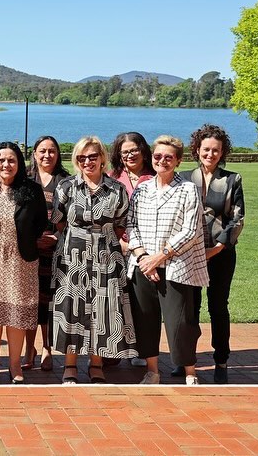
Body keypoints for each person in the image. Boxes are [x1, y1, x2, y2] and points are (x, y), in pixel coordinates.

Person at [50, 136, 137, 384]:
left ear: (102, 158)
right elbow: (59, 220)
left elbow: (121, 224)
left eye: (92, 156)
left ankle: (96, 363)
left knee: (103, 309)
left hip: (106, 256)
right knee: (72, 309)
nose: (87, 161)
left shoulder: (117, 189)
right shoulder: (66, 187)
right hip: (71, 257)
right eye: (81, 157)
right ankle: (70, 364)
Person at [127, 135, 209, 385]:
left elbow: (191, 230)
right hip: (142, 266)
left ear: (178, 160)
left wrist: (160, 257)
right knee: (145, 321)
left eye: (168, 157)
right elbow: (131, 225)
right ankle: (152, 371)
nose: (162, 160)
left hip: (177, 267)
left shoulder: (187, 189)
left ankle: (190, 372)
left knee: (180, 322)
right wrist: (143, 257)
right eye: (158, 156)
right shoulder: (142, 189)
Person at [0, 142, 47, 384]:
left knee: (16, 315)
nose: (6, 165)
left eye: (12, 160)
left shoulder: (31, 190)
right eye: (1, 160)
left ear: (19, 163)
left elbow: (40, 223)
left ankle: (15, 365)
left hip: (20, 262)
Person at [181, 124, 244, 384]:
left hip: (221, 254)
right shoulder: (183, 178)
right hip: (189, 254)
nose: (210, 154)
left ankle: (221, 360)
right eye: (206, 149)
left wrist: (216, 248)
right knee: (189, 309)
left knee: (218, 307)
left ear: (222, 152)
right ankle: (187, 361)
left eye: (216, 150)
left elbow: (237, 219)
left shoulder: (232, 179)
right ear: (197, 149)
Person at [108, 131, 155, 368]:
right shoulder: (112, 178)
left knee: (140, 302)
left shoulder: (155, 177)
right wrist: (122, 243)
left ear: (143, 150)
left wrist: (138, 249)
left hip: (147, 251)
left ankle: (140, 349)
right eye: (125, 151)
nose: (130, 155)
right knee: (115, 301)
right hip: (117, 247)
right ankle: (114, 350)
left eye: (134, 150)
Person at [23, 136, 70, 372]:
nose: (47, 155)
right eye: (42, 151)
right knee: (29, 301)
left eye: (52, 151)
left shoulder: (66, 181)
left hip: (57, 251)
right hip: (28, 250)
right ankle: (28, 348)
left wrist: (57, 237)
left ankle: (47, 348)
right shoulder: (24, 179)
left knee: (49, 302)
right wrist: (32, 238)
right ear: (35, 153)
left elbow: (73, 217)